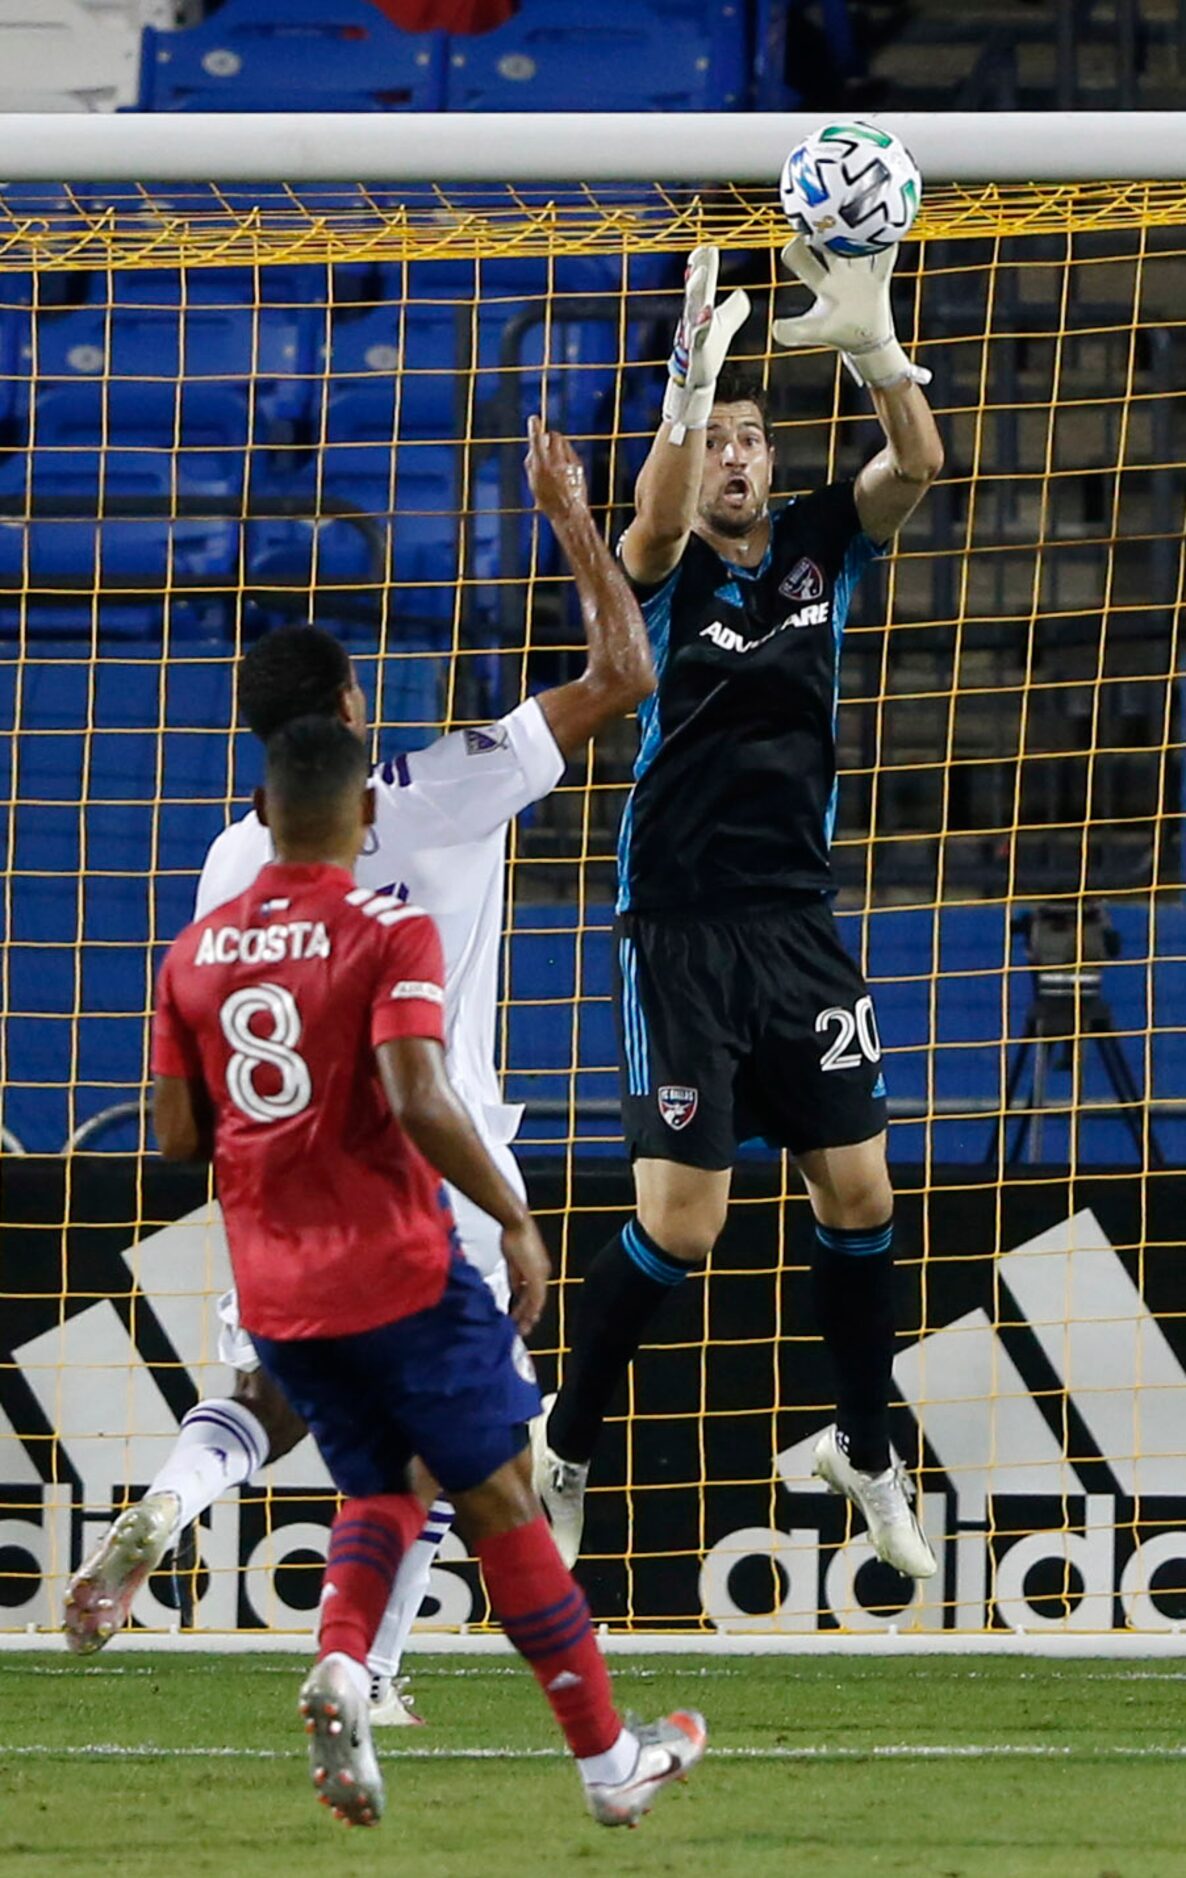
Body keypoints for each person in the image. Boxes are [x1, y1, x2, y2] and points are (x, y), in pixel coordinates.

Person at [63, 420, 654, 1721]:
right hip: (433, 1153)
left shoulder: (228, 859)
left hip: (284, 1179)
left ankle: (174, 1495)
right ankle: (398, 1675)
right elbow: (623, 672)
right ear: (345, 712)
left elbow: (191, 1090)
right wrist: (565, 514)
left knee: (271, 1398)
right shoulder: (441, 787)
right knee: (471, 1438)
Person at [137, 714, 706, 1828]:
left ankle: (345, 1663)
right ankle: (603, 1764)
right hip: (405, 1247)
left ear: (262, 804)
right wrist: (513, 1216)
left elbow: (175, 1134)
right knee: (494, 1485)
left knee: (386, 1480)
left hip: (279, 1263)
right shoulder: (388, 929)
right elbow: (418, 1095)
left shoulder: (198, 948)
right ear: (361, 810)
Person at [532, 241, 945, 1580]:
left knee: (860, 1187)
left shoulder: (820, 541)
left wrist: (878, 354)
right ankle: (568, 1441)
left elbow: (918, 468)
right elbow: (641, 525)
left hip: (796, 925)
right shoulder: (662, 574)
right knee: (685, 1225)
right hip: (680, 930)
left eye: (750, 436)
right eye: (717, 438)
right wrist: (679, 395)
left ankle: (863, 1449)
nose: (737, 456)